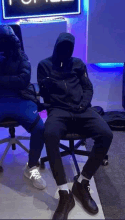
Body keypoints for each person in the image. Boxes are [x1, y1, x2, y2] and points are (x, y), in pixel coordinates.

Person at [37, 32, 113, 219]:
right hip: (59, 111)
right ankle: (65, 193)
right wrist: (53, 105)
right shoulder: (44, 65)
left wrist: (83, 104)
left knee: (106, 134)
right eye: (62, 47)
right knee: (50, 134)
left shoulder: (78, 64)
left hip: (82, 109)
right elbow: (44, 94)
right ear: (55, 46)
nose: (65, 51)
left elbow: (87, 87)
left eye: (68, 48)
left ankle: (82, 181)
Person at [0, 25, 47, 194]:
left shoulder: (20, 55)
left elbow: (23, 80)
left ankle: (32, 167)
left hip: (21, 98)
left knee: (40, 128)